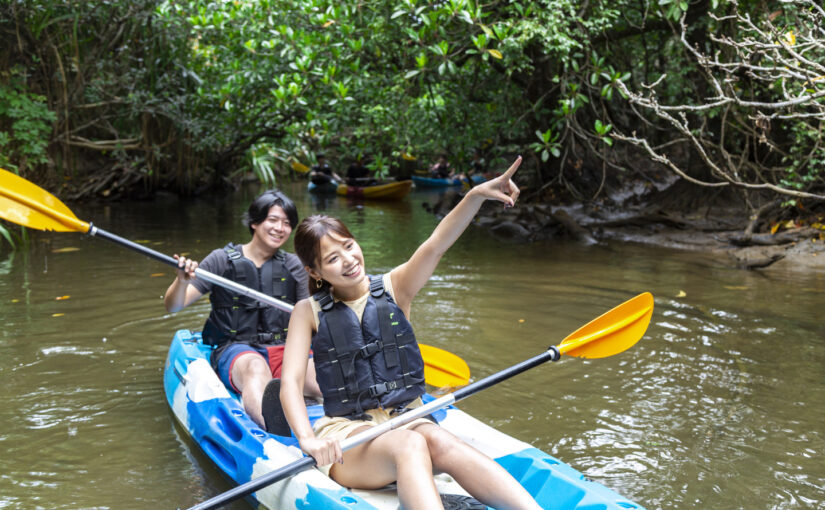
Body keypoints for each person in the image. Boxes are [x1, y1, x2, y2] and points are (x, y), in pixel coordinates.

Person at [280, 157, 541, 510]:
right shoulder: (306, 312)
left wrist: (476, 195)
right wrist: (307, 439)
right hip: (350, 437)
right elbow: (291, 382)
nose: (349, 259)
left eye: (349, 245)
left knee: (439, 440)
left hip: (407, 417)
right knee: (410, 444)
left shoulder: (396, 287)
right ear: (315, 272)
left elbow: (436, 244)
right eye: (333, 258)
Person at [164, 189, 321, 432]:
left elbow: (312, 316)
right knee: (255, 369)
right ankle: (274, 429)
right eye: (273, 220)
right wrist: (182, 281)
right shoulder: (220, 260)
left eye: (287, 223)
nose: (280, 228)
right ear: (254, 222)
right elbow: (174, 305)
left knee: (318, 375)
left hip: (285, 348)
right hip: (237, 349)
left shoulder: (294, 265)